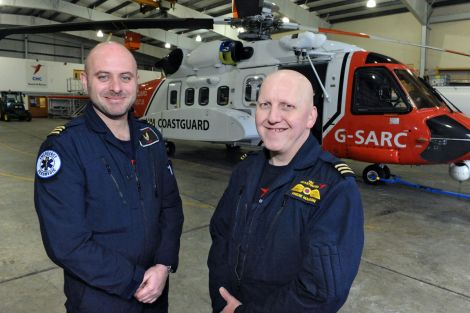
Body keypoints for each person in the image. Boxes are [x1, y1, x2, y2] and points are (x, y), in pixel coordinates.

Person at [34, 41, 184, 313]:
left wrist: (163, 264)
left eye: (125, 77)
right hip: (100, 299)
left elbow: (171, 206)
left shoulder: (150, 139)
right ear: (85, 81)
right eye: (103, 76)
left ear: (136, 81)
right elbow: (67, 243)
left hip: (155, 292)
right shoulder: (64, 148)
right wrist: (134, 280)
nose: (116, 87)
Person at [208, 70, 364, 313]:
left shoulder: (335, 187)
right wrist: (221, 297)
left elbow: (321, 292)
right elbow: (220, 237)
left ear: (311, 117)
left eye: (287, 106)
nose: (272, 117)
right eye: (265, 104)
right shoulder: (245, 170)